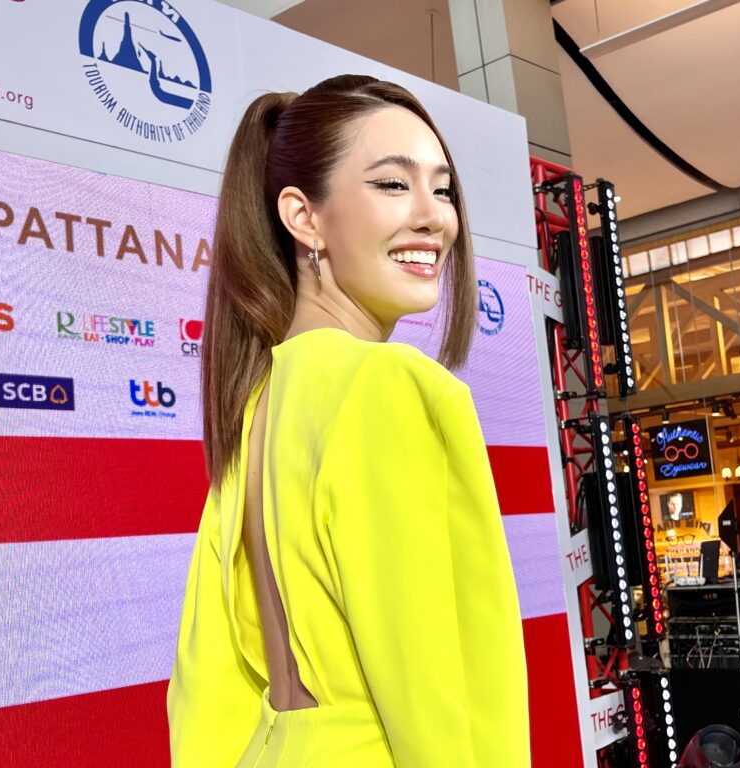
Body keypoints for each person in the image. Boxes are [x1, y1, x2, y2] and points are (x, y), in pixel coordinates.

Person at [167, 75, 530, 768]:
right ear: (303, 217)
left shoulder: (255, 405)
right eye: (393, 184)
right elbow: (435, 688)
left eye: (443, 190)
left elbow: (205, 685)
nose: (434, 218)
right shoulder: (386, 385)